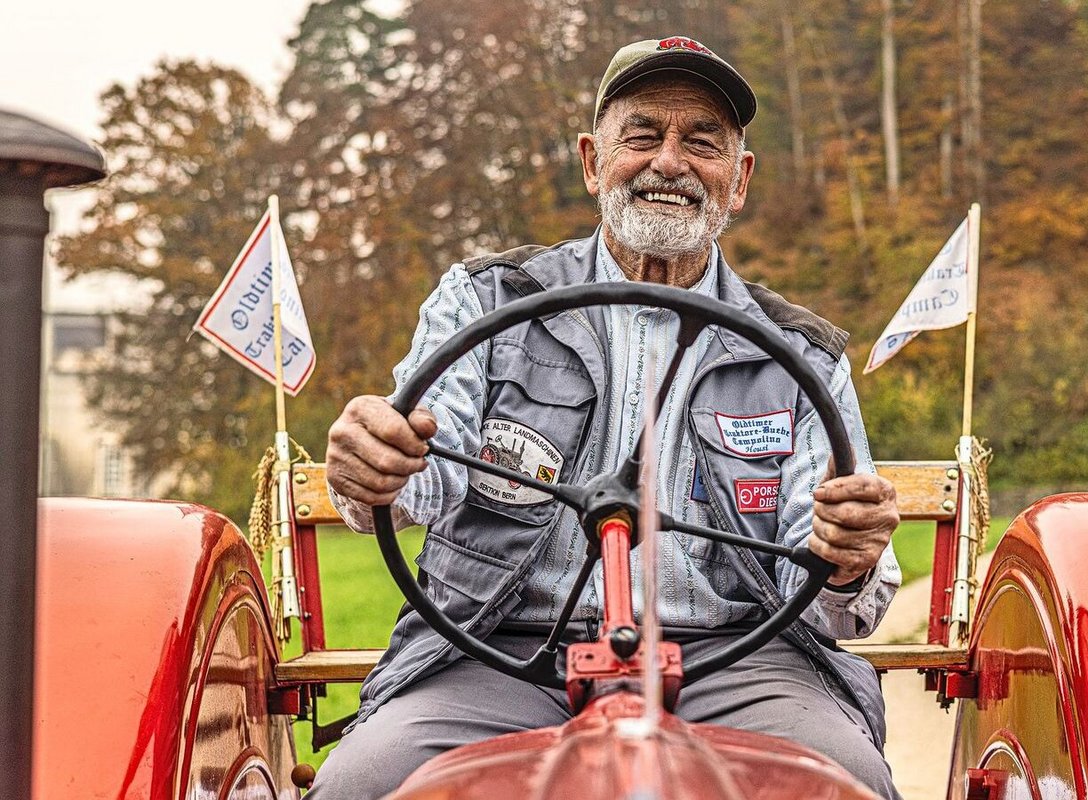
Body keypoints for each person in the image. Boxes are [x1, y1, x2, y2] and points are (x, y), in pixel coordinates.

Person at [314, 36, 902, 799]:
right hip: (496, 651)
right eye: (642, 135)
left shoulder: (799, 353)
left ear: (739, 180)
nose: (670, 162)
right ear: (593, 162)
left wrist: (847, 556)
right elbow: (421, 470)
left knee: (845, 782)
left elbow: (831, 593)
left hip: (736, 659)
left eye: (703, 143)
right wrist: (375, 466)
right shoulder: (486, 301)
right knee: (362, 783)